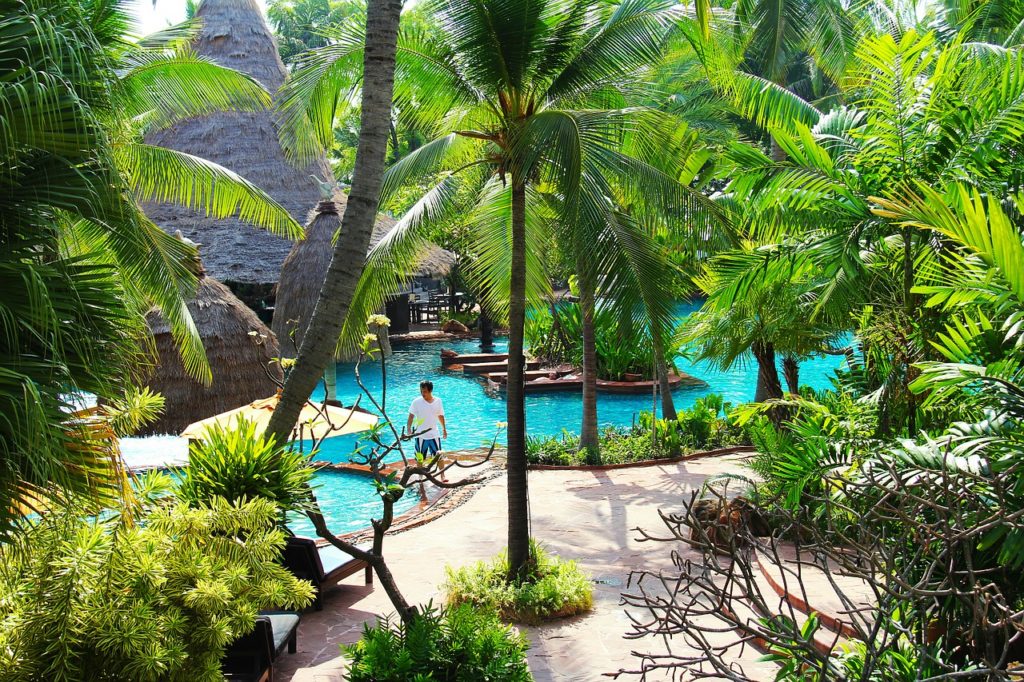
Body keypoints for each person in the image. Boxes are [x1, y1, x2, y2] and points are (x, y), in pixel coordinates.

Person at [407, 380, 447, 460]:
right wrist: (408, 429)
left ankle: (442, 473)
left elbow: (440, 416)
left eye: (424, 391)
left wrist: (444, 429)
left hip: (434, 434)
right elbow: (411, 416)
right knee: (420, 458)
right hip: (420, 435)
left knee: (439, 457)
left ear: (430, 390)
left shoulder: (438, 401)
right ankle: (420, 472)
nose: (422, 393)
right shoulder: (416, 402)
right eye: (421, 391)